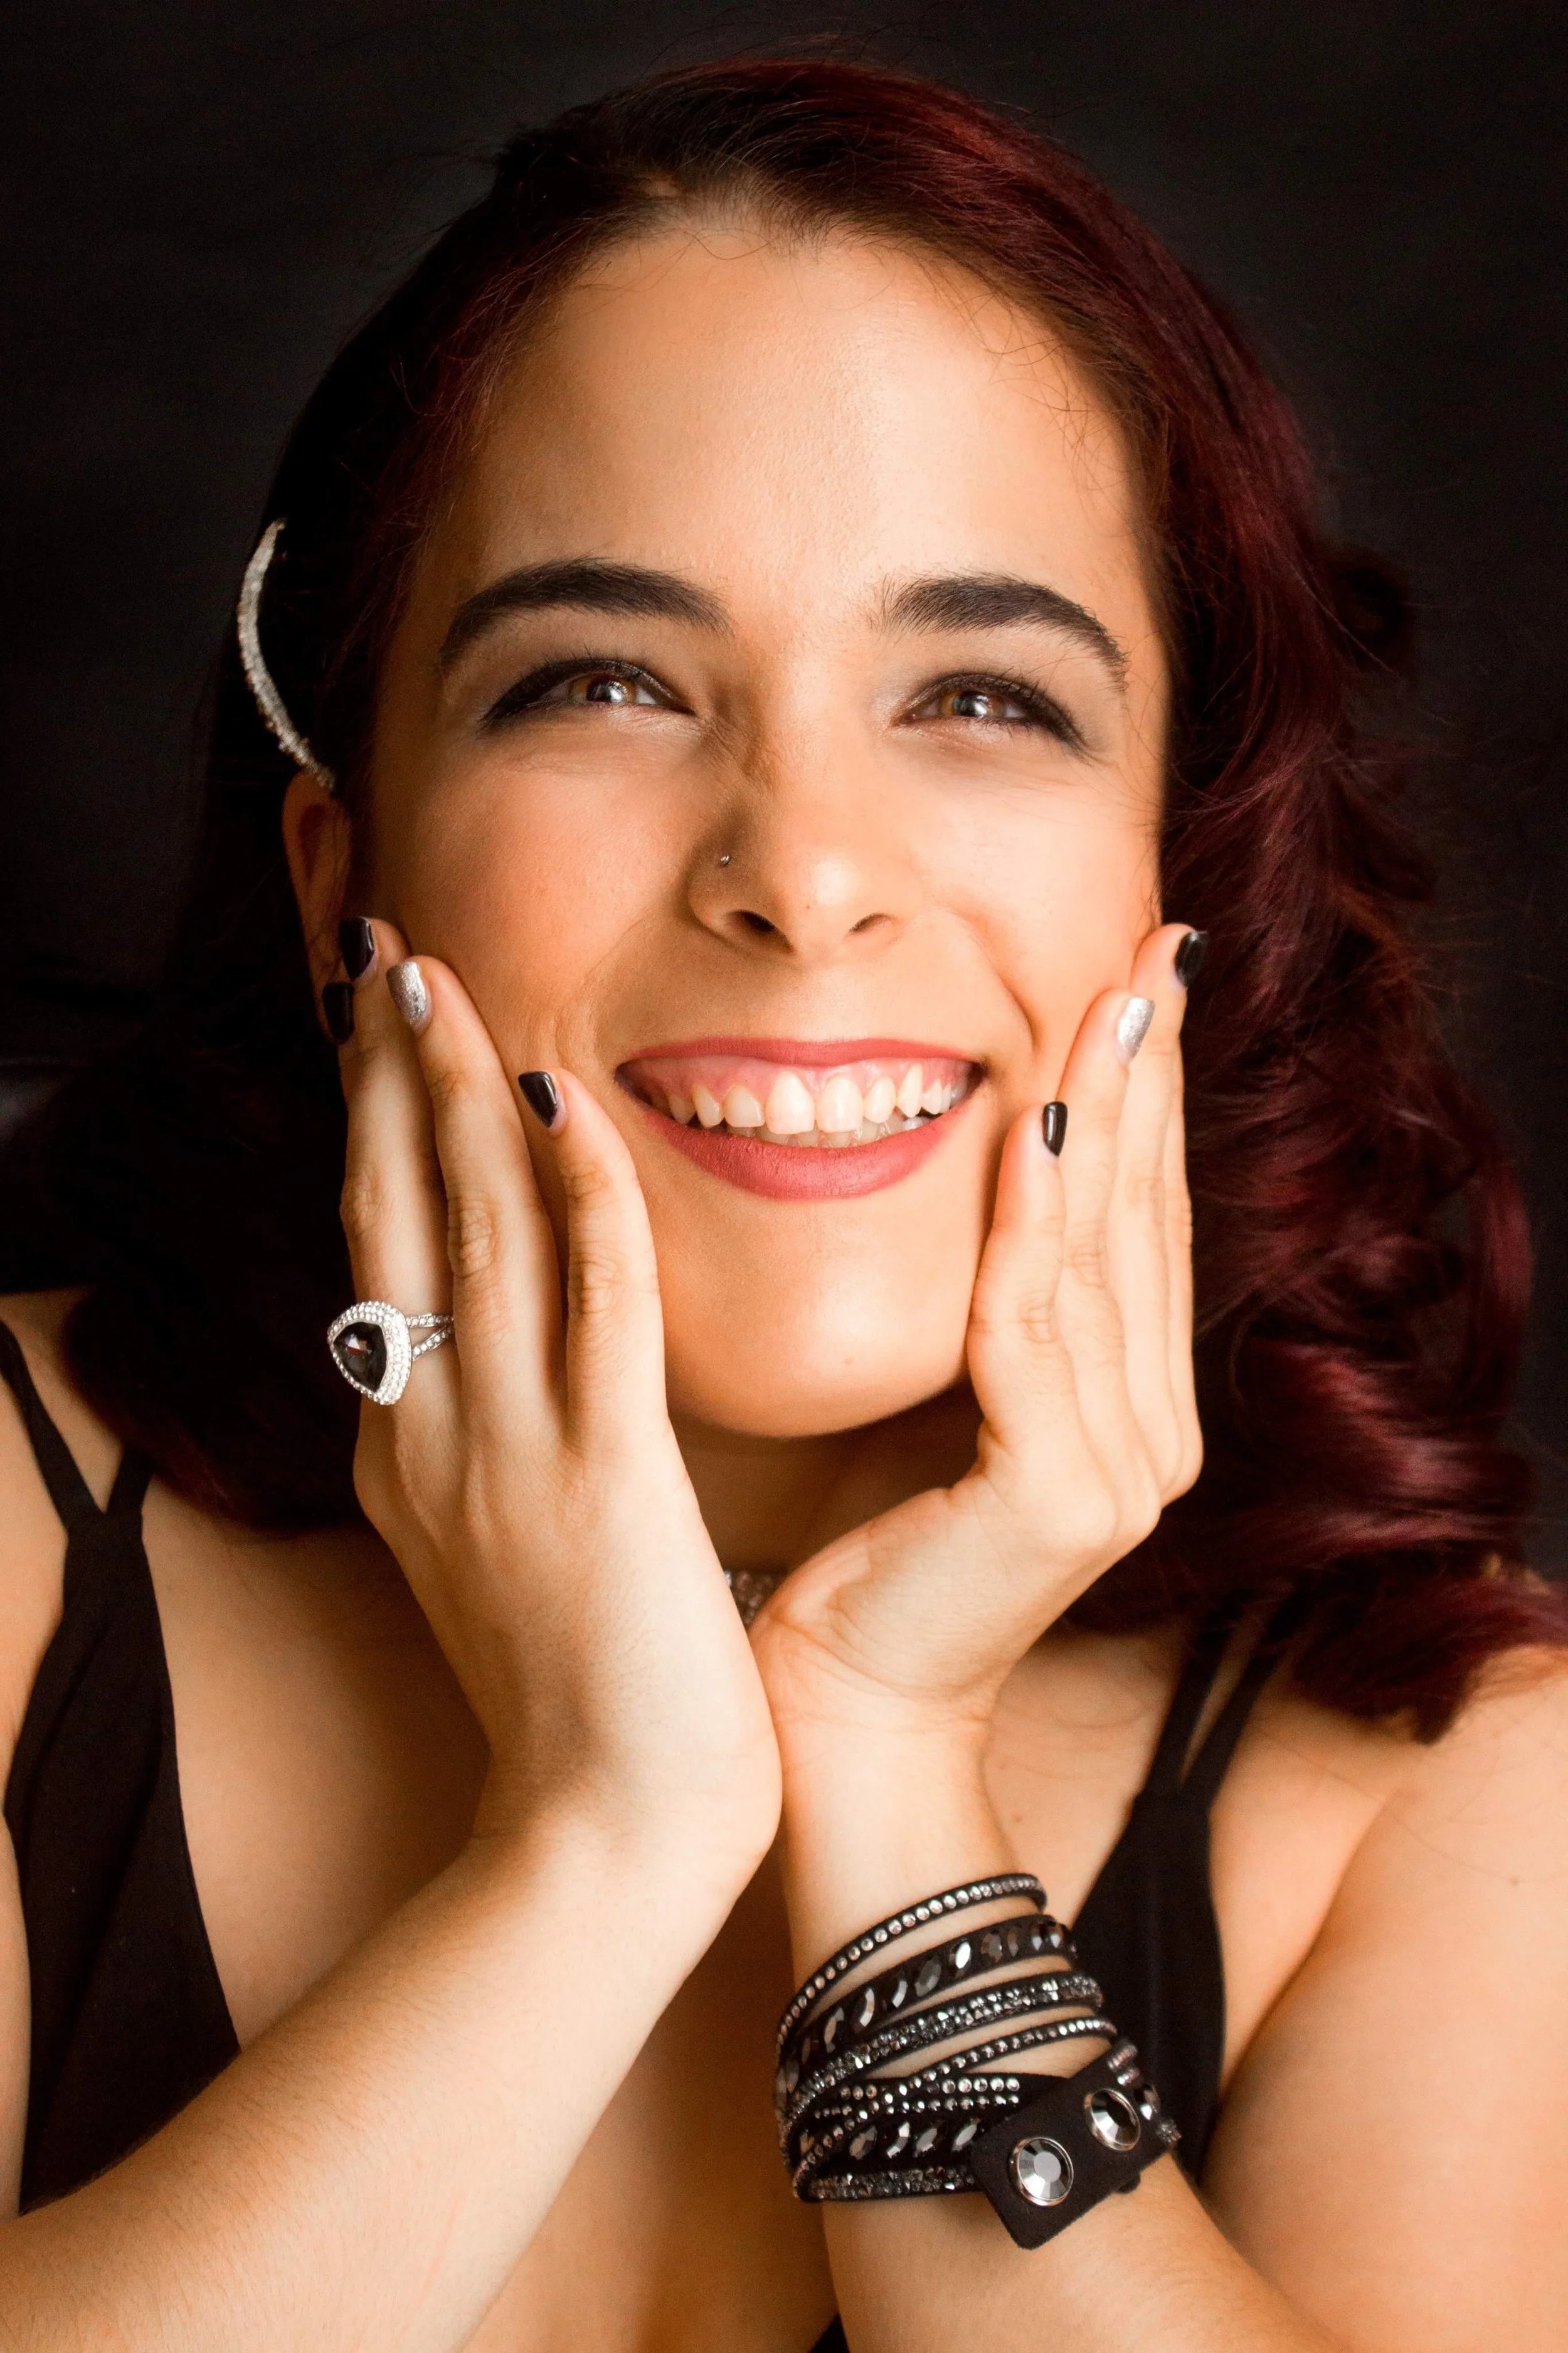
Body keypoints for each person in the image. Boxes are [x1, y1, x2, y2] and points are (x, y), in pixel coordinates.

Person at [0, 51, 1563, 2352]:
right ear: (351, 879)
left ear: (1177, 881)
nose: (802, 874)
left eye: (984, 696)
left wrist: (885, 1769)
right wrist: (597, 1833)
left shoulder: (1444, 1784)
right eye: (606, 679)